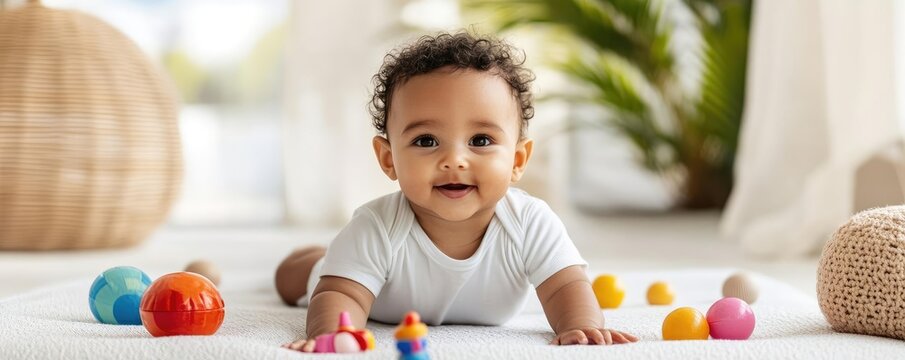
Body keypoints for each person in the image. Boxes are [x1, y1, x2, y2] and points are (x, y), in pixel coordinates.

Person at [276, 31, 638, 352]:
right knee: (299, 276)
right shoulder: (376, 226)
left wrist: (582, 327)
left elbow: (567, 285)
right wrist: (333, 334)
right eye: (426, 140)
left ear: (517, 159)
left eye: (480, 140)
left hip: (370, 263)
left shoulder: (530, 222)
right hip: (362, 277)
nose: (454, 160)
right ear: (388, 159)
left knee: (346, 256)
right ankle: (316, 257)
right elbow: (342, 293)